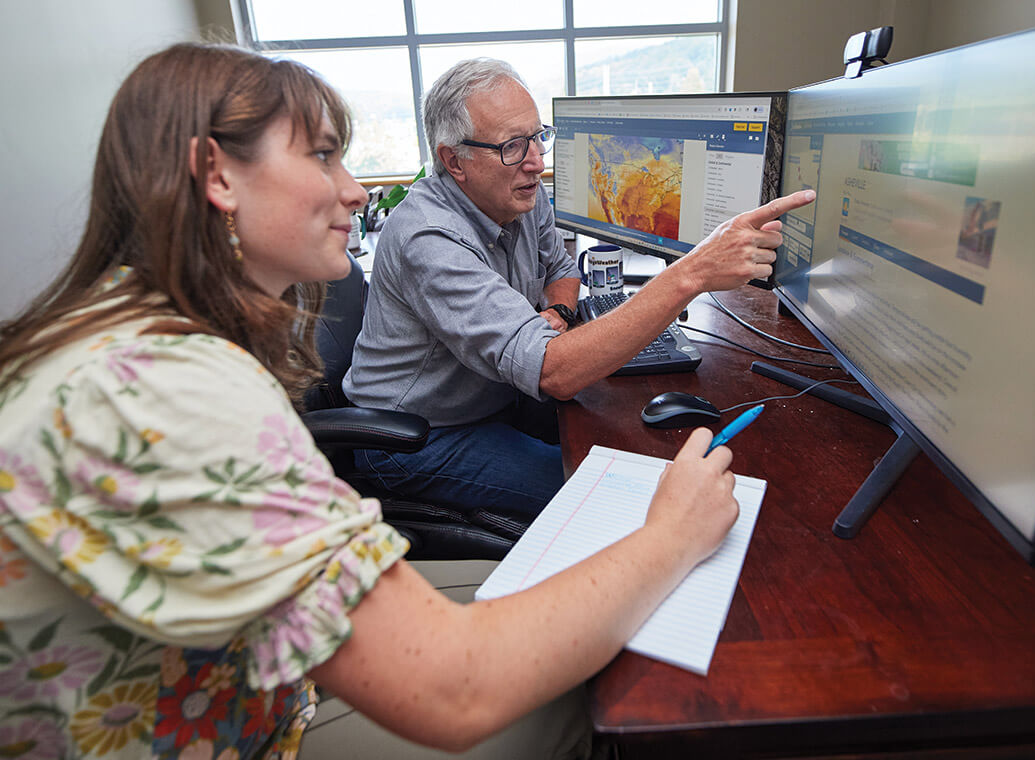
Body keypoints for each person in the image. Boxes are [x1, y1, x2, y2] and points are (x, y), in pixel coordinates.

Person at [0, 42, 786, 759]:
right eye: (323, 156)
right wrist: (672, 534)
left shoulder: (134, 334)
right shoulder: (167, 391)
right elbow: (459, 686)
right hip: (250, 717)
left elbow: (556, 277)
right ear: (216, 175)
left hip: (234, 669)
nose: (354, 190)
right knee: (606, 680)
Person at [345, 57, 815, 521]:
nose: (535, 162)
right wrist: (691, 273)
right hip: (414, 437)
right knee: (616, 499)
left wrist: (562, 315)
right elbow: (555, 373)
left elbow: (563, 268)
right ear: (454, 161)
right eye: (512, 146)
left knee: (631, 443)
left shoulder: (521, 196)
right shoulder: (428, 238)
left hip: (492, 400)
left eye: (537, 137)